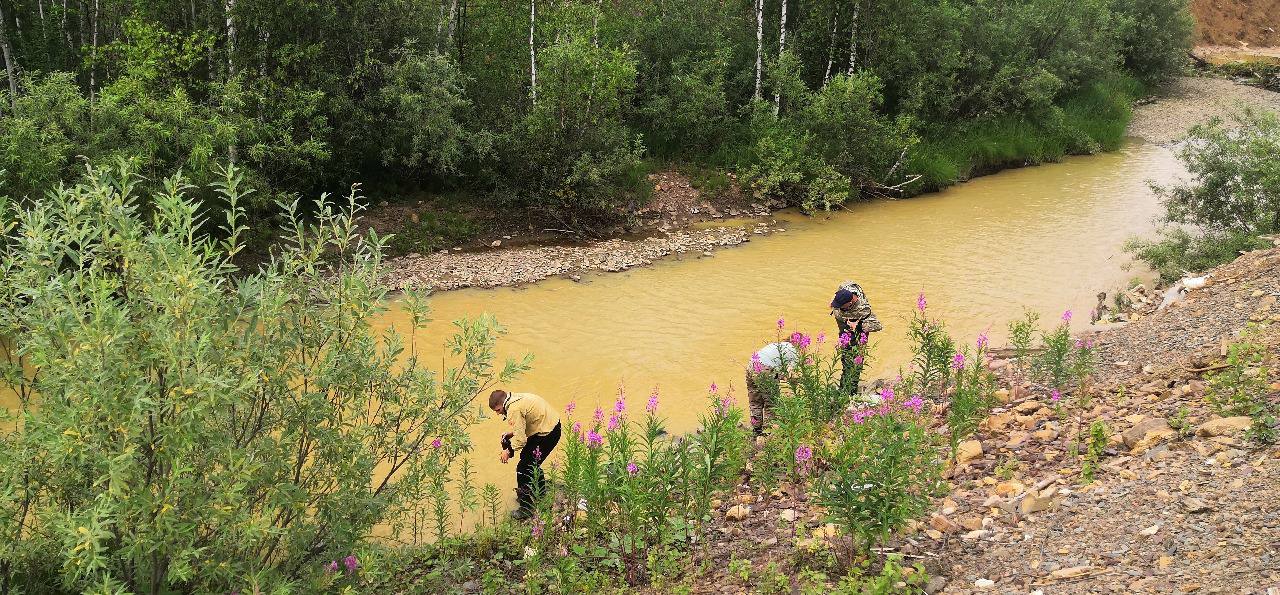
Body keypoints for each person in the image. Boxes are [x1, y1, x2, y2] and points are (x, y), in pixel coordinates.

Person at [489, 390, 562, 520]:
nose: (498, 413)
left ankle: (526, 508)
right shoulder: (516, 399)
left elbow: (521, 441)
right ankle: (540, 493)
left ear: (502, 404)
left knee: (523, 469)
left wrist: (508, 451)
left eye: (498, 410)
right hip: (551, 425)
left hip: (548, 433)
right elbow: (528, 420)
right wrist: (512, 433)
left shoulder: (513, 410)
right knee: (530, 462)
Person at [830, 281, 883, 394]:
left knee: (856, 363)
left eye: (840, 306)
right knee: (846, 360)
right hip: (846, 326)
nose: (837, 308)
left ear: (850, 302)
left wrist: (858, 325)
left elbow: (878, 325)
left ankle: (851, 392)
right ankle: (843, 391)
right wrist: (834, 304)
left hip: (858, 330)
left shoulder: (863, 309)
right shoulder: (844, 289)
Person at [746, 341, 799, 435]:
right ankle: (767, 433)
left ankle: (756, 431)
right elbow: (791, 374)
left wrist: (779, 377)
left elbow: (777, 372)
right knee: (771, 404)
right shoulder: (793, 350)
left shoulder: (778, 345)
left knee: (755, 402)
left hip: (751, 365)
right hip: (765, 369)